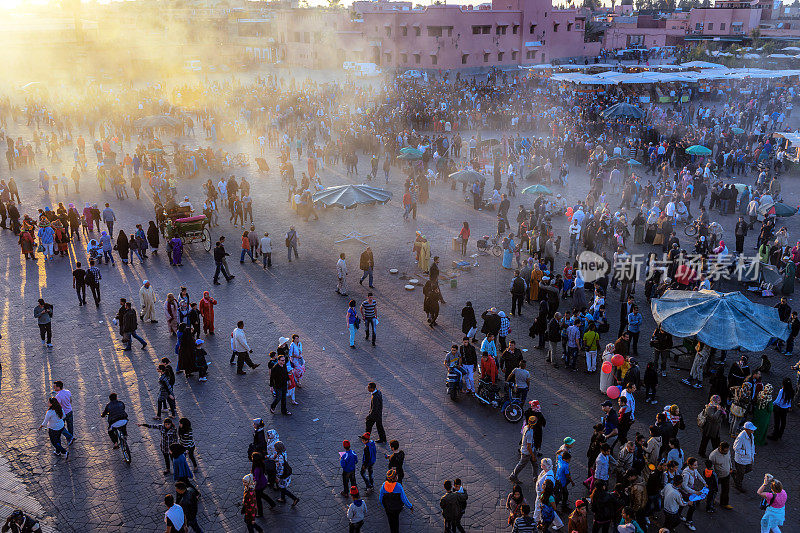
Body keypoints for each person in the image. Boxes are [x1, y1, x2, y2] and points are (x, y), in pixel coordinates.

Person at [379, 468, 413, 533]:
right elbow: (404, 499)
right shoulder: (398, 486)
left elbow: (380, 498)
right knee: (396, 521)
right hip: (397, 508)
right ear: (394, 478)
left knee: (390, 521)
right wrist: (410, 506)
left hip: (388, 508)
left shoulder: (384, 486)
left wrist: (384, 507)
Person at [508, 416, 536, 484]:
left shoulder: (526, 427)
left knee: (535, 464)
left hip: (529, 449)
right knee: (521, 464)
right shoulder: (529, 433)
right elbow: (529, 446)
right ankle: (513, 476)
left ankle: (535, 476)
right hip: (527, 452)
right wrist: (532, 455)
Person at [733, 421, 756, 493]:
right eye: (751, 429)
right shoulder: (741, 437)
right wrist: (745, 452)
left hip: (748, 458)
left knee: (749, 469)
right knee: (741, 474)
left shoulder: (751, 435)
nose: (753, 430)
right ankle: (738, 485)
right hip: (741, 459)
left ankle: (734, 473)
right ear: (747, 429)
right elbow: (735, 448)